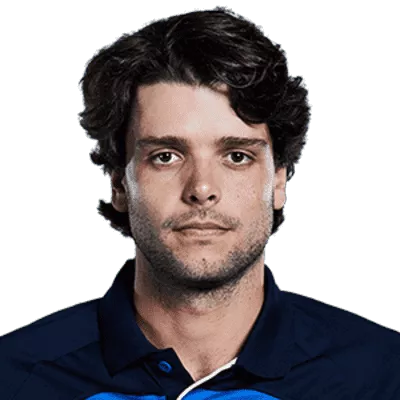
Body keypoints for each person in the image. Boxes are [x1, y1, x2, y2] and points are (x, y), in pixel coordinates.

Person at [1, 6, 399, 400]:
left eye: (237, 156)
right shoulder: (14, 377)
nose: (202, 188)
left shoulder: (382, 375)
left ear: (279, 181)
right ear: (119, 183)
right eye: (166, 156)